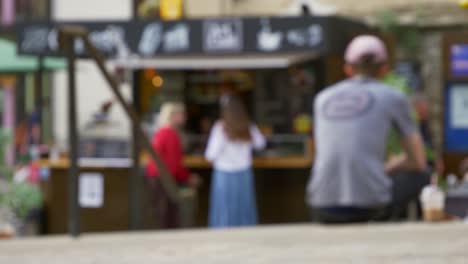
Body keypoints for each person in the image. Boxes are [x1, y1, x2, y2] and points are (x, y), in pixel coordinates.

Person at [306, 35, 428, 224]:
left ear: (347, 69)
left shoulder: (322, 98)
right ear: (384, 69)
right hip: (370, 205)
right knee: (422, 174)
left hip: (321, 202)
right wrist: (389, 166)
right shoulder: (393, 97)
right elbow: (418, 161)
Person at [205, 96, 266, 228]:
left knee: (224, 208)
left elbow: (210, 154)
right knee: (244, 205)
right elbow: (261, 144)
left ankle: (224, 235)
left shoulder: (220, 128)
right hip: (244, 172)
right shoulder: (248, 126)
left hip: (224, 173)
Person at [145, 102, 197, 228]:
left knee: (164, 212)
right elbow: (174, 163)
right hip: (163, 177)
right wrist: (187, 177)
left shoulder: (163, 131)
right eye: (181, 114)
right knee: (168, 214)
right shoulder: (170, 133)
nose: (184, 117)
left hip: (158, 177)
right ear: (173, 116)